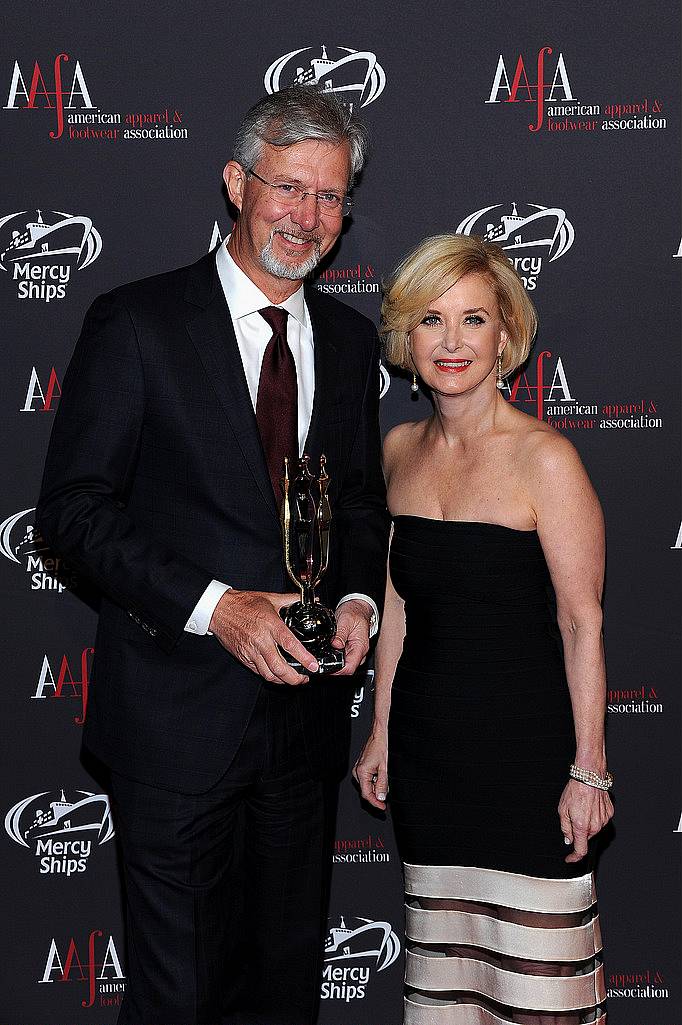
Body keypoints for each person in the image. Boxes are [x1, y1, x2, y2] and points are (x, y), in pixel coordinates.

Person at [37, 85, 390, 1025]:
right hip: (173, 727)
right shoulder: (139, 323)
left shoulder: (353, 346)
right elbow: (70, 514)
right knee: (178, 1001)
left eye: (330, 197)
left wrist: (356, 598)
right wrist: (217, 606)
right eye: (288, 188)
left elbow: (358, 502)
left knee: (282, 998)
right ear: (237, 183)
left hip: (303, 734)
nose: (307, 217)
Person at [354, 234, 613, 1025]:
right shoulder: (397, 451)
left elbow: (582, 621)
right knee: (450, 994)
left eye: (474, 319)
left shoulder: (546, 460)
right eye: (432, 320)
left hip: (529, 766)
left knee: (542, 996)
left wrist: (590, 768)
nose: (453, 341)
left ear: (506, 334)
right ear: (408, 338)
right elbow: (395, 606)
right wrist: (382, 731)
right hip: (432, 767)